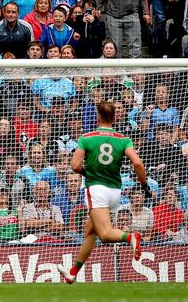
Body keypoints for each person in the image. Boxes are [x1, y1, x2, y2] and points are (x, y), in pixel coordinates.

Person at [57, 101, 149, 284]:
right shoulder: (123, 139)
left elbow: (75, 166)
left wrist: (87, 172)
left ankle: (131, 237)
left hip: (97, 189)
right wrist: (144, 185)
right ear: (114, 118)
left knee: (106, 235)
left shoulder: (87, 137)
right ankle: (73, 273)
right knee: (90, 231)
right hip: (115, 191)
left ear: (97, 117)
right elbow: (138, 163)